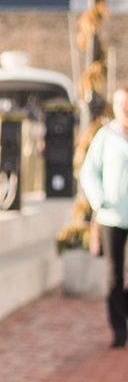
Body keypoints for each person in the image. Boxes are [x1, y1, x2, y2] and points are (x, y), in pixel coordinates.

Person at [79, 86, 128, 348]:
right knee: (114, 275)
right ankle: (119, 330)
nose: (125, 108)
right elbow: (89, 171)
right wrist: (98, 200)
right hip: (112, 216)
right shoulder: (106, 136)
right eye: (121, 104)